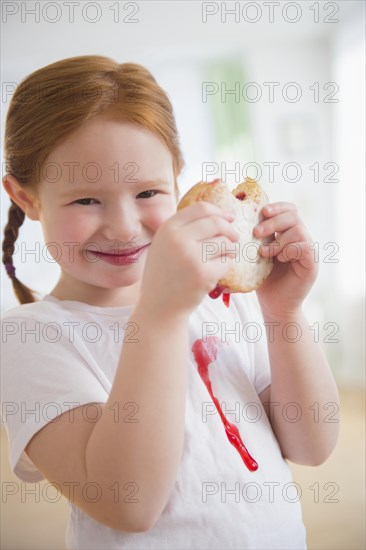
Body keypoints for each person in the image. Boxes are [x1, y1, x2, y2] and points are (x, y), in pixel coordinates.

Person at [0, 55, 339, 550]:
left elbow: (311, 444)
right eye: (85, 200)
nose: (122, 226)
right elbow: (126, 501)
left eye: (148, 192)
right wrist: (159, 315)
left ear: (179, 179)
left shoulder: (223, 299)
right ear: (26, 198)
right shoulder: (31, 338)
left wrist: (284, 313)